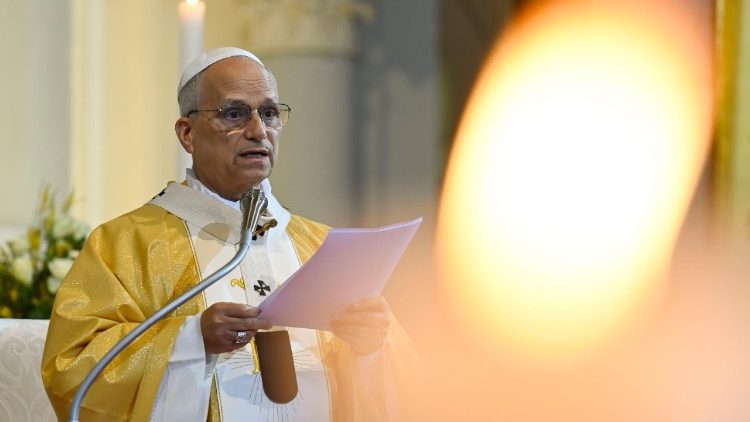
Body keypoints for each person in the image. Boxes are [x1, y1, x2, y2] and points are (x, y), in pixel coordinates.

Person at [41, 47, 414, 421]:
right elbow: (72, 370)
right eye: (234, 114)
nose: (258, 131)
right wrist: (192, 340)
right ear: (187, 133)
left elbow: (414, 389)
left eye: (270, 113)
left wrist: (371, 348)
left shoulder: (323, 248)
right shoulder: (125, 244)